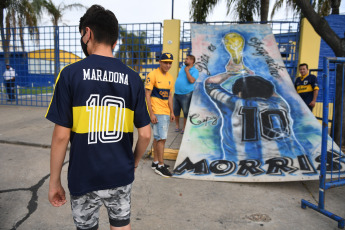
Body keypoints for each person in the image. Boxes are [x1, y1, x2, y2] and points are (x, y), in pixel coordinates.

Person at [45, 5, 151, 230]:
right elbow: (145, 134)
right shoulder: (133, 79)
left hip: (84, 175)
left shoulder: (70, 75)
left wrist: (54, 181)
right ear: (114, 40)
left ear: (88, 33)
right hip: (120, 174)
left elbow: (61, 137)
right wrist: (133, 162)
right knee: (122, 225)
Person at [145, 53, 175, 177]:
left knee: (159, 138)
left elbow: (169, 96)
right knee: (161, 139)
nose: (168, 65)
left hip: (165, 112)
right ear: (160, 62)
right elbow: (147, 95)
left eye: (170, 63)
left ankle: (156, 162)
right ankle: (161, 166)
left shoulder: (170, 78)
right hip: (157, 112)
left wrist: (172, 111)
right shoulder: (152, 75)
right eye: (165, 62)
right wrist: (151, 113)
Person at [173, 54, 199, 134]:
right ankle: (177, 126)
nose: (185, 60)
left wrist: (187, 71)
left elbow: (191, 81)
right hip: (176, 93)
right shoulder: (183, 67)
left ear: (192, 61)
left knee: (185, 112)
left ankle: (184, 127)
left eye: (187, 59)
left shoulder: (195, 71)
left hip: (186, 94)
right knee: (176, 111)